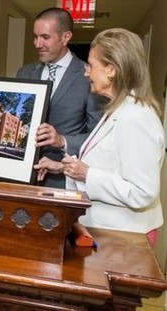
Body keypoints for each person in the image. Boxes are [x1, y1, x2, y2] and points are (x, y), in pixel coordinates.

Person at [61, 28, 165, 245]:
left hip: (126, 239)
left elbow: (142, 191)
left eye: (91, 65)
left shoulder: (136, 117)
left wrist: (87, 174)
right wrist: (68, 167)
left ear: (111, 70)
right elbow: (111, 164)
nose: (86, 72)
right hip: (111, 233)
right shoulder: (117, 110)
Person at [16, 7, 105, 189]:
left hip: (63, 180)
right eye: (35, 36)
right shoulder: (25, 72)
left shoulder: (89, 77)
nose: (37, 44)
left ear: (66, 37)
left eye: (45, 37)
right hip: (21, 177)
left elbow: (98, 137)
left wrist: (62, 140)